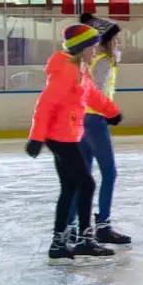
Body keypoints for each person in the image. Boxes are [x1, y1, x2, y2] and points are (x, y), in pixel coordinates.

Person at [26, 23, 124, 266]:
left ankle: (60, 243)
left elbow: (91, 95)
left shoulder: (78, 68)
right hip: (59, 136)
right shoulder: (66, 70)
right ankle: (83, 239)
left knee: (71, 187)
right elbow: (45, 103)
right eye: (91, 46)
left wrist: (112, 112)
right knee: (86, 184)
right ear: (82, 47)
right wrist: (36, 137)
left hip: (68, 134)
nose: (95, 50)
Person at [67, 13, 133, 249]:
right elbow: (93, 91)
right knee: (109, 173)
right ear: (108, 41)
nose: (119, 43)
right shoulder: (103, 61)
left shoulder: (92, 60)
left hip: (81, 120)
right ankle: (103, 226)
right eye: (117, 39)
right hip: (94, 121)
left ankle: (71, 228)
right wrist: (109, 111)